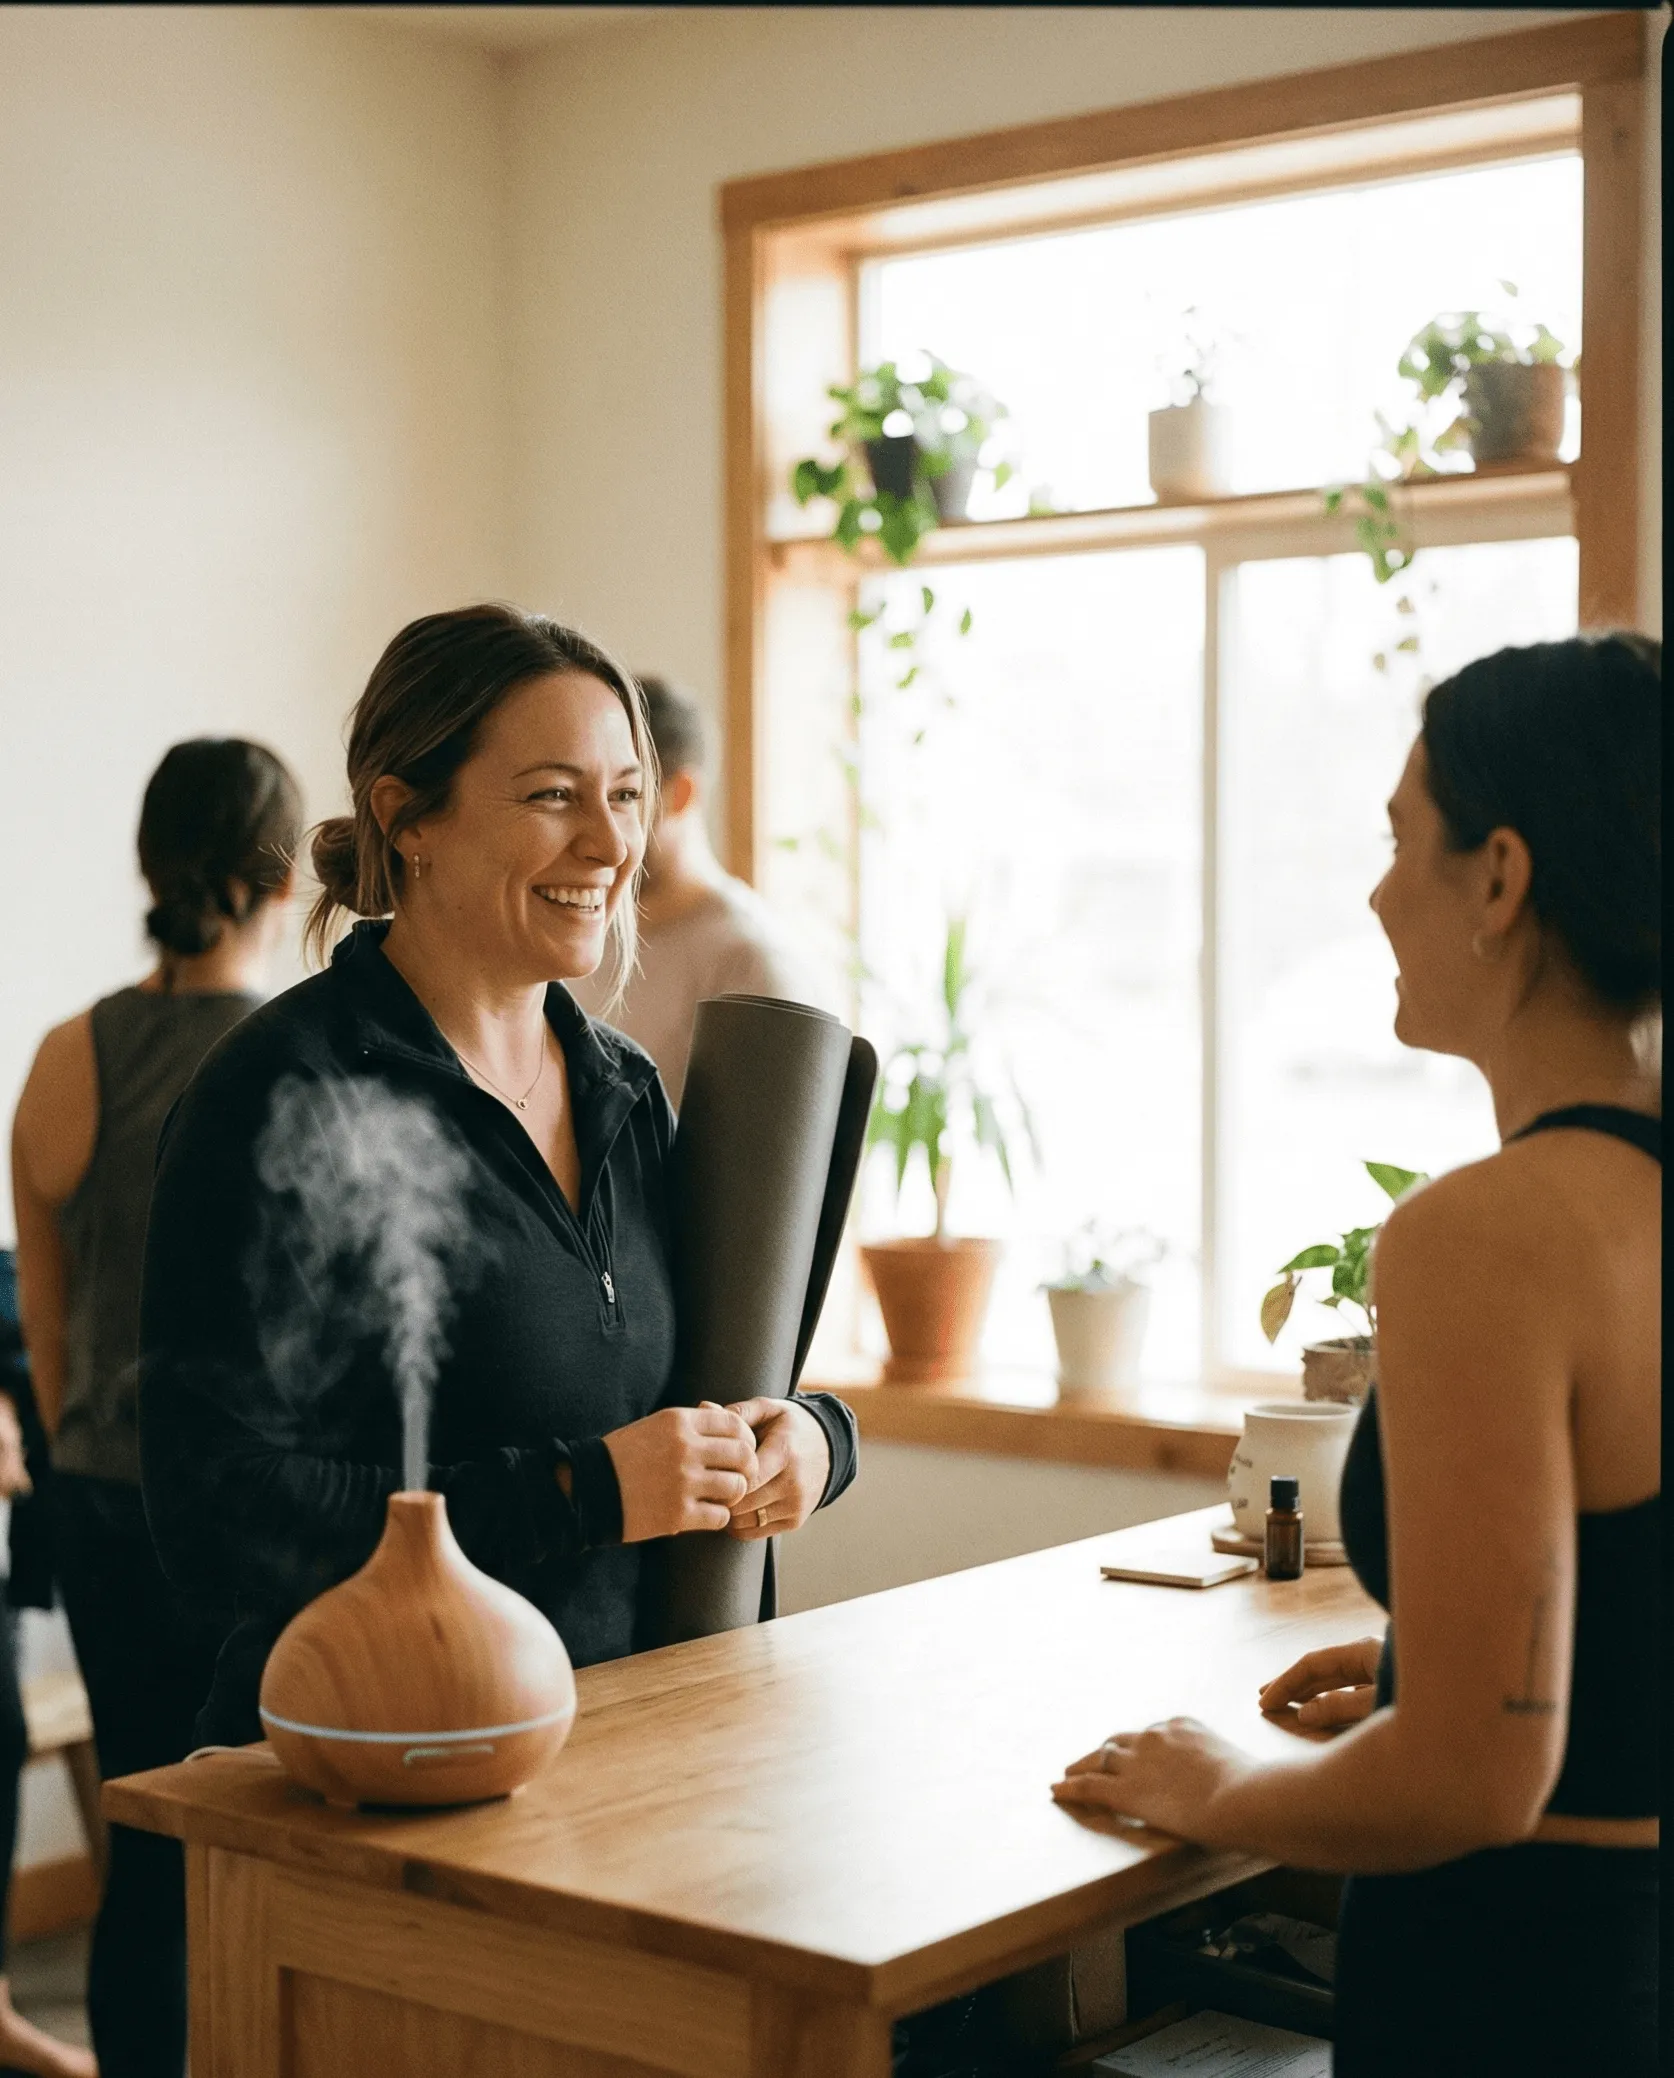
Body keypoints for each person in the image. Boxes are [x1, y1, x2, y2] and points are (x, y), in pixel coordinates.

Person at [1051, 633, 1660, 2075]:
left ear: (1499, 877)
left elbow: (1470, 1776)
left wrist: (1220, 1781)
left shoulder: (1487, 1233)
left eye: (1399, 840)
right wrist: (1423, 1659)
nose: (1376, 891)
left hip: (1512, 1991)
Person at [138, 605, 859, 1762]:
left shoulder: (622, 1088)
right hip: (375, 1777)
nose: (610, 844)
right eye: (551, 794)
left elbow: (697, 1392)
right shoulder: (278, 1096)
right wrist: (586, 1493)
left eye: (625, 793)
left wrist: (816, 1443)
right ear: (406, 817)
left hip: (625, 1762)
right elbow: (216, 1514)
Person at [10, 737, 304, 2078]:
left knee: (145, 1829)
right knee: (259, 1840)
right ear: (287, 873)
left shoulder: (71, 1056)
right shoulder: (295, 1055)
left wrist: (87, 1465)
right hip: (249, 1510)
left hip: (98, 1499)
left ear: (152, 863)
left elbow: (53, 1336)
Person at [568, 675, 828, 1107]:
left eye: (624, 795)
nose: (597, 831)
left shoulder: (750, 965)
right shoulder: (584, 930)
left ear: (680, 794)